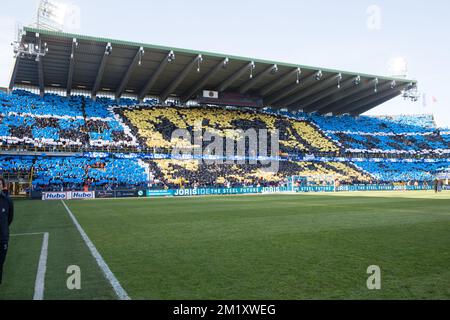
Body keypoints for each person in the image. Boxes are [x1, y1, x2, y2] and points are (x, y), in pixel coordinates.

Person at [0, 177, 14, 285]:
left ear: (2, 186)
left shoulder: (7, 200)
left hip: (2, 239)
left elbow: (10, 218)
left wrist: (4, 229)